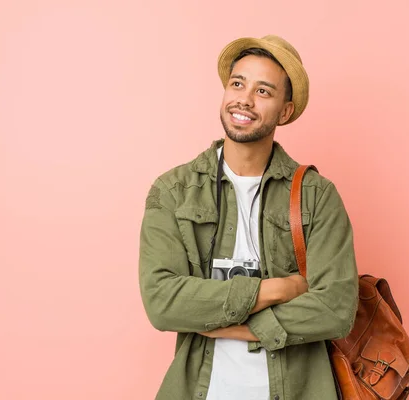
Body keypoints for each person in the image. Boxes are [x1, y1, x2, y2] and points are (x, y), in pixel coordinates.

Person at [139, 35, 358, 400]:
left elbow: (336, 308)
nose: (244, 99)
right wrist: (279, 289)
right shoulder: (173, 191)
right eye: (237, 84)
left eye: (263, 91)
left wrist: (239, 326)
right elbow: (162, 302)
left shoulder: (317, 196)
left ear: (285, 111)